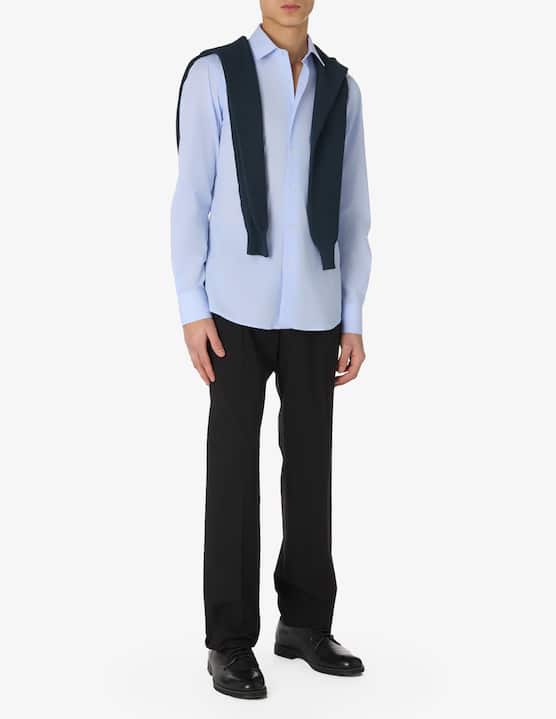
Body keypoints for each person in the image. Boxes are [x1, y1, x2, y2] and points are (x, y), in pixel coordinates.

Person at [171, 0, 371, 700]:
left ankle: (305, 623)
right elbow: (192, 194)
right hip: (234, 307)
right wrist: (191, 306)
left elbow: (352, 209)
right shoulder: (214, 76)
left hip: (315, 307)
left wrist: (352, 315)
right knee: (232, 467)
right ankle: (229, 640)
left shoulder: (340, 88)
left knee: (311, 465)